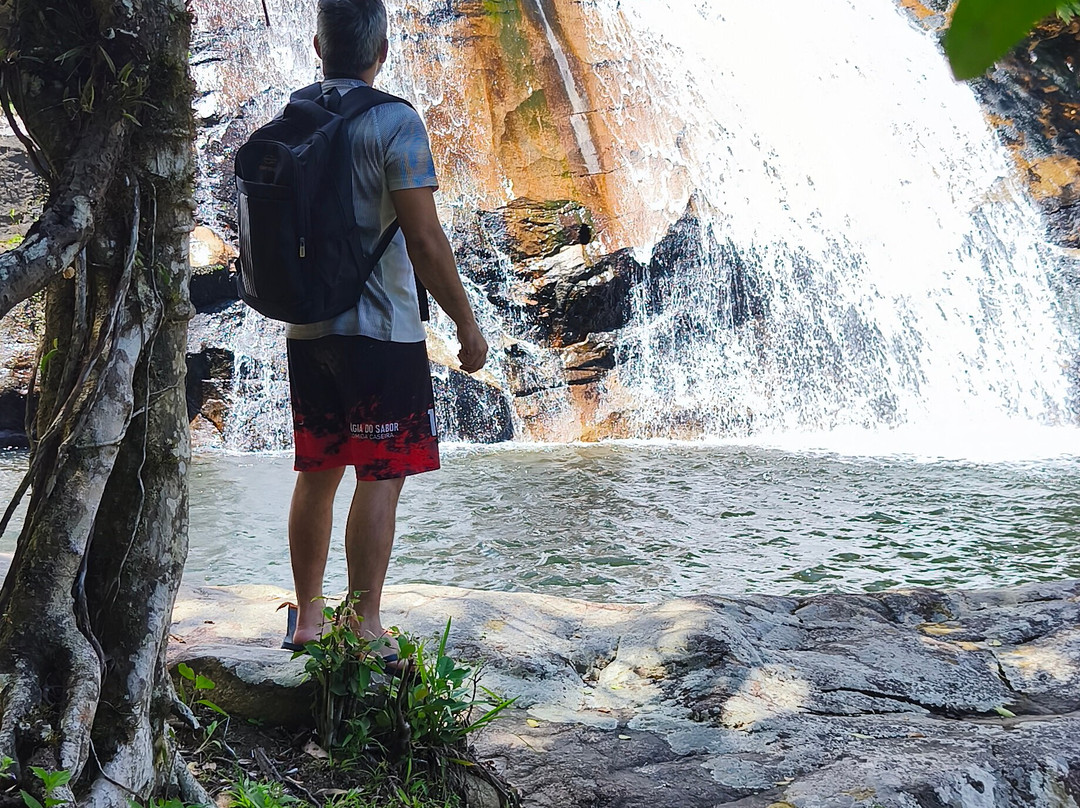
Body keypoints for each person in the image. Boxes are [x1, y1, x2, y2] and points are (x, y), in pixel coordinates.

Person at [281, 0, 488, 657]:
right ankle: (364, 626)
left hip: (308, 329)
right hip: (380, 331)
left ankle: (309, 619)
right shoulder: (394, 120)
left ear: (318, 45)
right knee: (379, 475)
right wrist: (467, 326)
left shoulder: (294, 117)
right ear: (383, 51)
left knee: (318, 471)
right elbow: (425, 241)